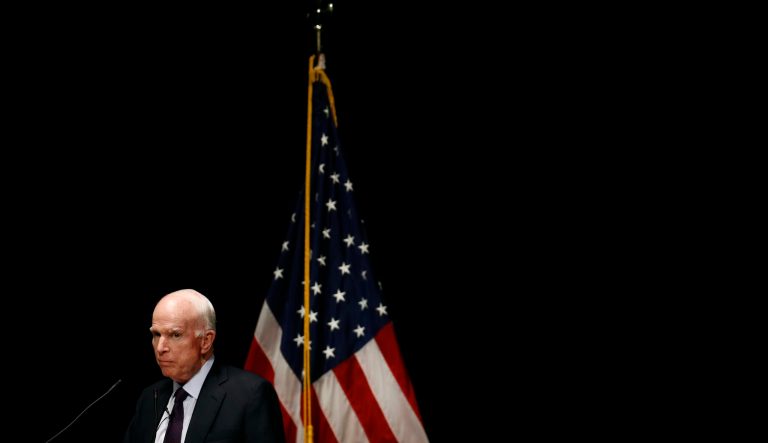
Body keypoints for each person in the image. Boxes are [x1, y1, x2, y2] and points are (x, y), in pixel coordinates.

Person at [124, 289, 285, 443]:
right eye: (156, 334)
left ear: (206, 341)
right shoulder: (150, 397)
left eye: (175, 335)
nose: (160, 348)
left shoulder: (250, 395)